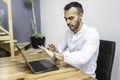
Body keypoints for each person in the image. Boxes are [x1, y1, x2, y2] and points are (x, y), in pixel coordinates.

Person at [40, 1, 100, 78]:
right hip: (70, 72)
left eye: (71, 18)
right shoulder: (68, 32)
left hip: (85, 76)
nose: (67, 22)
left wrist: (57, 55)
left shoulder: (91, 33)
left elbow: (83, 57)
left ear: (80, 16)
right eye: (66, 19)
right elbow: (60, 49)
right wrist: (55, 51)